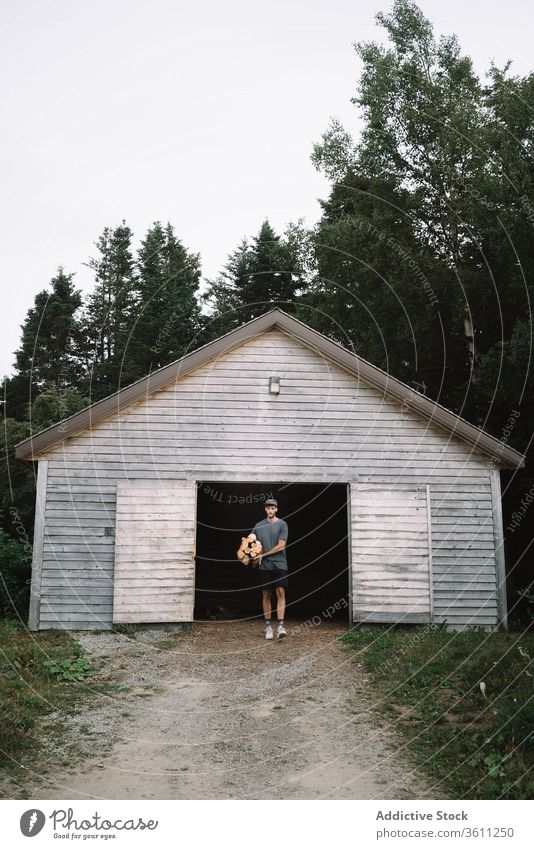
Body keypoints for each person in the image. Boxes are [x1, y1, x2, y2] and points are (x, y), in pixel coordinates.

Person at [251, 498, 288, 640]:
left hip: (279, 563)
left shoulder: (282, 524)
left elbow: (281, 546)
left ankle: (280, 626)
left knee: (280, 591)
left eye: (273, 508)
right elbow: (249, 541)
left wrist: (264, 554)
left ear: (276, 509)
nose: (270, 510)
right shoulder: (258, 526)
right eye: (268, 508)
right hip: (264, 566)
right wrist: (248, 556)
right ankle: (268, 626)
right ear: (265, 510)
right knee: (266, 594)